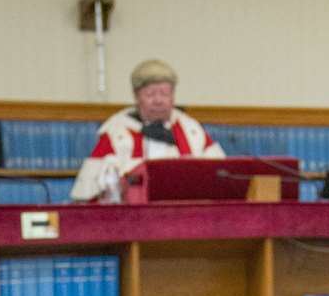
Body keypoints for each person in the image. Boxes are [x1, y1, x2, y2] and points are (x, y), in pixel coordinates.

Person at [71, 59, 225, 201]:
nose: (158, 100)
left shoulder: (192, 130)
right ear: (137, 97)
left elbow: (220, 178)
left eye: (165, 93)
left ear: (173, 97)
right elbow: (92, 193)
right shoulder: (117, 132)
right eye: (150, 94)